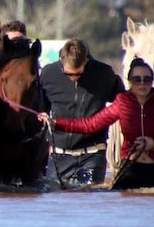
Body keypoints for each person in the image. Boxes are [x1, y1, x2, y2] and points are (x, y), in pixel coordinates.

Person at [39, 58, 154, 189]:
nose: (142, 84)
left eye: (147, 79)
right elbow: (90, 125)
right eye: (137, 79)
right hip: (129, 169)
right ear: (130, 81)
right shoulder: (122, 102)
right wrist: (56, 123)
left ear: (152, 81)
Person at [39, 38, 125, 188]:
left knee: (88, 202)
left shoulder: (104, 74)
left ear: (86, 61)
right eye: (68, 74)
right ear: (61, 60)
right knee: (54, 203)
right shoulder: (48, 74)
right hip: (59, 155)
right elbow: (40, 108)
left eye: (77, 75)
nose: (72, 79)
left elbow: (123, 101)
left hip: (92, 155)